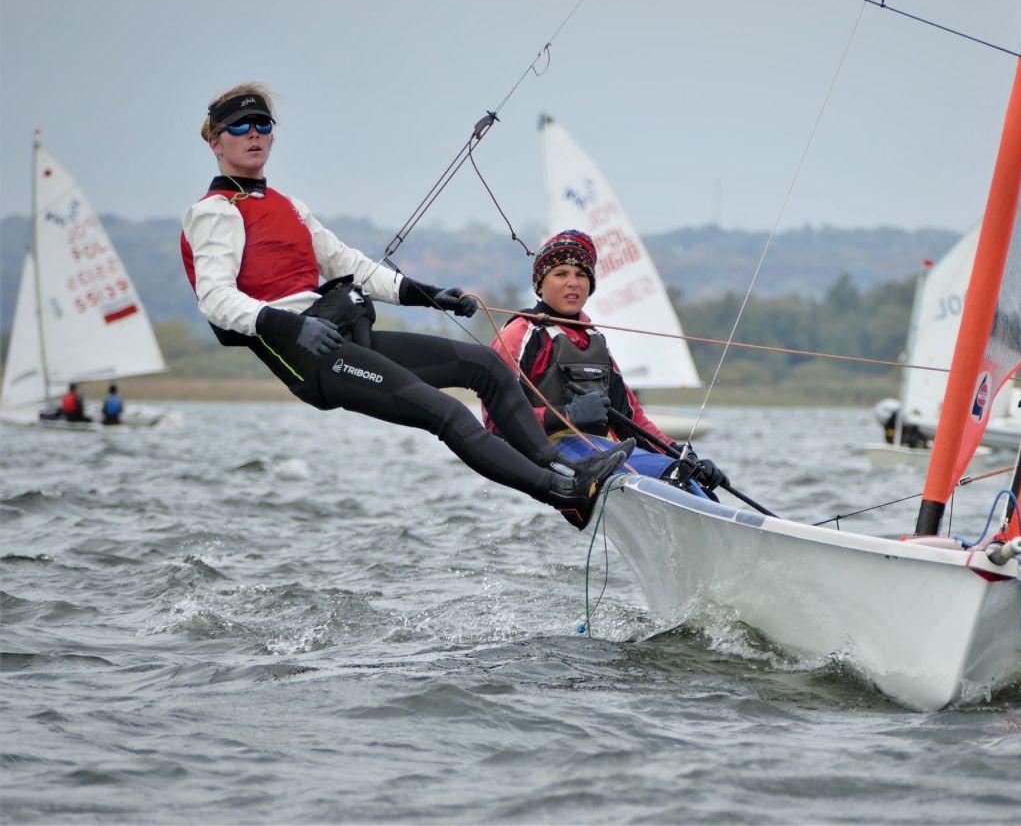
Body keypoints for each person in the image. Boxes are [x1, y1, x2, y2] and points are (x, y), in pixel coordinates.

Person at [179, 83, 631, 530]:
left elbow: (351, 264)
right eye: (240, 126)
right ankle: (562, 495)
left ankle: (567, 470)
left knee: (486, 366)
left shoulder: (288, 206)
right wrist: (293, 328)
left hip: (344, 335)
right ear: (216, 141)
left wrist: (432, 296)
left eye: (262, 124)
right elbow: (215, 300)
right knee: (446, 412)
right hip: (309, 356)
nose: (253, 133)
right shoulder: (215, 212)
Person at [488, 230, 727, 495]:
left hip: (597, 452)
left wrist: (683, 455)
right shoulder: (520, 333)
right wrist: (566, 416)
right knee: (667, 476)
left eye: (581, 275)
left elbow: (631, 419)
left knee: (685, 476)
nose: (573, 283)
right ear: (540, 284)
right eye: (560, 274)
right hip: (545, 455)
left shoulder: (595, 340)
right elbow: (495, 420)